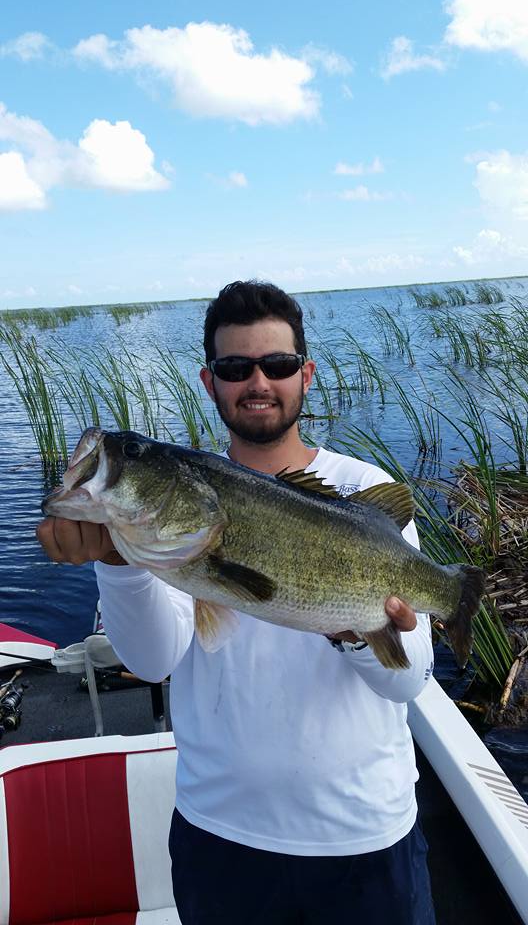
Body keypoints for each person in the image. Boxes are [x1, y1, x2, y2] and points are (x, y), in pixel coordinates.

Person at [37, 280, 436, 924]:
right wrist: (118, 562)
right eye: (234, 367)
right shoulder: (166, 536)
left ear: (305, 374)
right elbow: (154, 658)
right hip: (221, 837)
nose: (258, 381)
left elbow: (408, 681)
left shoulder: (366, 491)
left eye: (276, 365)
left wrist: (349, 623)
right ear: (209, 381)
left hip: (363, 836)